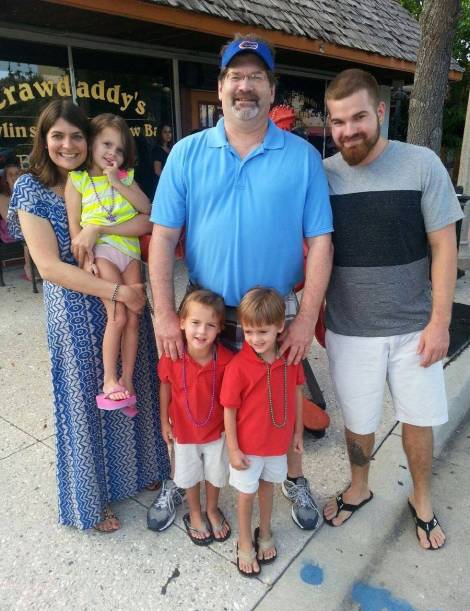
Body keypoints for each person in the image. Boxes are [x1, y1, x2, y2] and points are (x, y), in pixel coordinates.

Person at [148, 34, 333, 532]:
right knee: (190, 398)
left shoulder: (302, 158)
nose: (245, 86)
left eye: (255, 77)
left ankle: (293, 477)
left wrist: (306, 319)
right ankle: (181, 478)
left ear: (272, 89)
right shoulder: (187, 153)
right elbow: (162, 238)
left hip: (275, 314)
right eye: (236, 76)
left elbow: (321, 243)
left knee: (280, 402)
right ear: (220, 87)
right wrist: (163, 313)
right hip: (203, 309)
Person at [8, 99, 170, 532]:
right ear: (43, 140)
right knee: (86, 403)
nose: (68, 144)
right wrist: (119, 292)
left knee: (138, 383)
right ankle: (93, 501)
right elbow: (49, 267)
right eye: (57, 136)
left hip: (124, 294)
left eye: (77, 135)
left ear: (90, 139)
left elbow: (145, 219)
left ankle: (142, 470)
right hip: (77, 310)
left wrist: (104, 234)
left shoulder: (104, 176)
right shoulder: (31, 188)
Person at [321, 69, 463, 550]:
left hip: (414, 328)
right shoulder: (322, 176)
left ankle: (421, 497)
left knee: (418, 420)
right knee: (358, 422)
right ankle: (359, 487)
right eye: (338, 121)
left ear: (380, 112)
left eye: (358, 117)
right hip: (349, 329)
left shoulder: (421, 164)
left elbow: (444, 246)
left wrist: (441, 321)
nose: (349, 130)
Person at [65, 113, 150, 410]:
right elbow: (76, 231)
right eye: (106, 144)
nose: (113, 153)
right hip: (102, 254)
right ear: (91, 143)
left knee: (135, 318)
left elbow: (146, 210)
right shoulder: (78, 180)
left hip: (130, 253)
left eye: (120, 149)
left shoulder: (125, 177)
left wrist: (117, 181)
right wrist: (84, 261)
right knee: (118, 316)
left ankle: (127, 380)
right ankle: (109, 379)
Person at [221, 288, 305, 576]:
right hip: (247, 448)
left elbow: (297, 394)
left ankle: (265, 530)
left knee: (268, 488)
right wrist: (233, 448)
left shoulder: (290, 360)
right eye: (249, 332)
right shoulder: (238, 367)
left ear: (280, 326)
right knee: (246, 494)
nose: (255, 339)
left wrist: (297, 434)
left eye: (263, 332)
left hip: (277, 445)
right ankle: (244, 540)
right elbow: (229, 410)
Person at [156, 289, 233, 543]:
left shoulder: (227, 360)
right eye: (195, 323)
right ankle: (195, 512)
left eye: (210, 325)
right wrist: (163, 421)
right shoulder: (172, 356)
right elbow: (165, 386)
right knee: (189, 474)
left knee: (215, 473)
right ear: (181, 323)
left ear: (219, 329)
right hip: (183, 432)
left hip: (216, 431)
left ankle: (212, 508)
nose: (201, 331)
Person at [0, 157, 33, 280]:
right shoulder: (2, 197)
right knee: (30, 234)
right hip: (10, 230)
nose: (14, 177)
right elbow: (9, 219)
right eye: (11, 174)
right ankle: (28, 267)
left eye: (17, 173)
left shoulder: (26, 192)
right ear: (6, 178)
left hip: (27, 226)